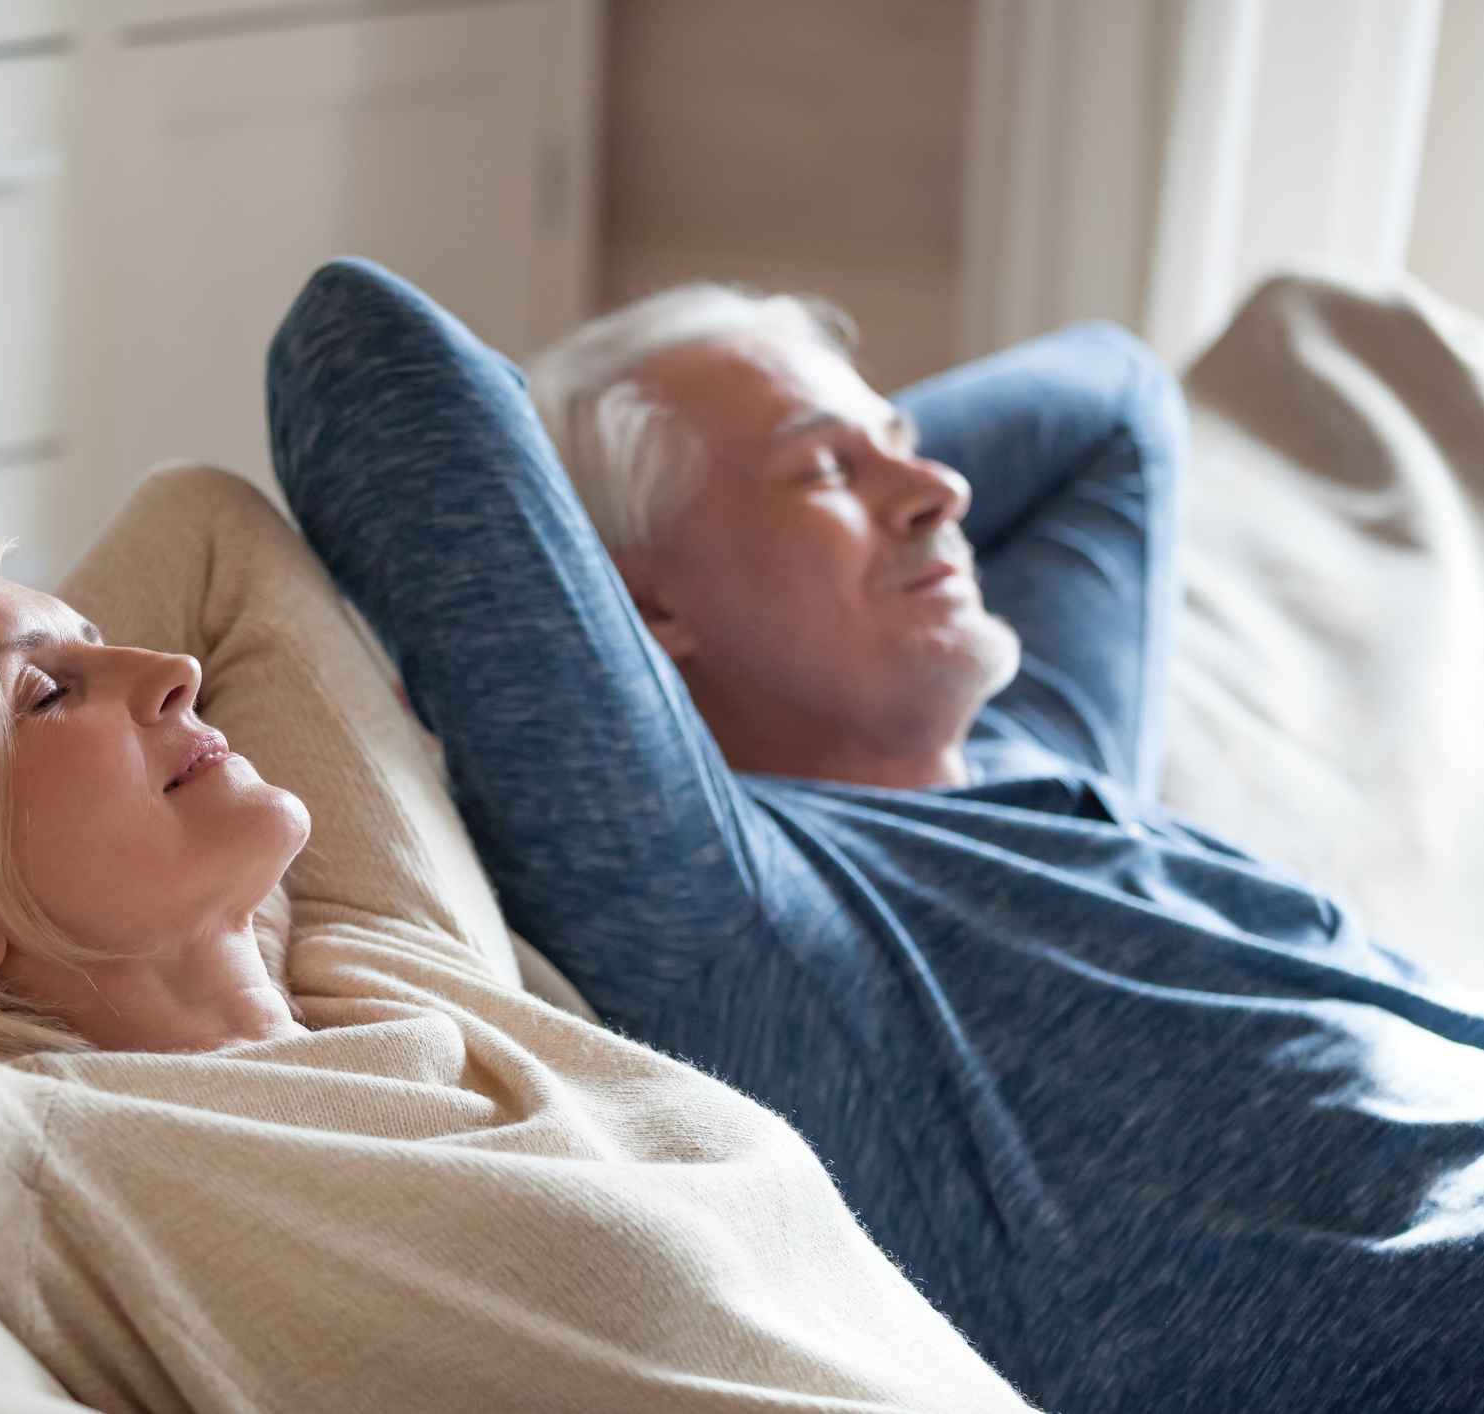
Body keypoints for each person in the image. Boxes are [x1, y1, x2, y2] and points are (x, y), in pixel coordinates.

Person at [268, 258, 1484, 1414]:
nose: (944, 488)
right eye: (822, 475)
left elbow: (1111, 401)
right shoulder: (735, 904)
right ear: (639, 607)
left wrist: (844, 455)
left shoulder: (1046, 744)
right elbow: (363, 353)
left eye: (907, 445)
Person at [0, 470, 1035, 1411]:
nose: (171, 668)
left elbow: (209, 530)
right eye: (45, 693)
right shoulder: (51, 1159)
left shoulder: (386, 958)